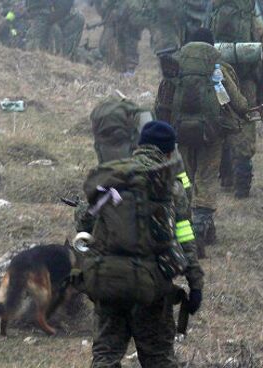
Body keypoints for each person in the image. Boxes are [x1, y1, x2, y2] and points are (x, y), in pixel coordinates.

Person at [77, 121, 203, 368]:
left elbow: (84, 221)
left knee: (105, 355)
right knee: (158, 358)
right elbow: (186, 240)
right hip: (150, 286)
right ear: (169, 152)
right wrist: (195, 283)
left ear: (139, 146)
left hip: (107, 280)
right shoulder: (170, 186)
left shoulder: (113, 176)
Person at [155, 28, 252, 256]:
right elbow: (238, 103)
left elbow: (162, 103)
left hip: (182, 133)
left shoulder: (176, 65)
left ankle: (195, 229)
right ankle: (199, 231)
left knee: (187, 179)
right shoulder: (216, 66)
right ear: (212, 46)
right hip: (211, 133)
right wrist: (245, 111)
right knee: (206, 179)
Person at [212, 0, 263, 198]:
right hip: (247, 80)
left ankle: (226, 177)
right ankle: (242, 183)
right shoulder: (253, 20)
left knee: (222, 121)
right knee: (245, 124)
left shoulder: (214, 15)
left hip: (220, 77)